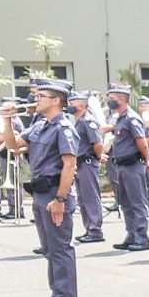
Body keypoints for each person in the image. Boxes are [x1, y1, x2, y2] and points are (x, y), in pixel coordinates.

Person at [21, 78, 83, 297]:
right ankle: (57, 293)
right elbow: (11, 143)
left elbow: (69, 165)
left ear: (56, 101)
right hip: (40, 192)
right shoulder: (40, 126)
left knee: (60, 247)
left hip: (55, 192)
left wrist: (60, 199)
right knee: (49, 247)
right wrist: (7, 120)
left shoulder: (63, 128)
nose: (35, 100)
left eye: (40, 96)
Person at [104, 85, 149, 250]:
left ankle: (141, 238)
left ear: (122, 99)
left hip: (133, 165)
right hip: (122, 166)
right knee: (126, 203)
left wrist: (146, 161)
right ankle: (131, 235)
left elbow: (142, 142)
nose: (109, 100)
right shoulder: (120, 118)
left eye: (112, 97)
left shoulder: (132, 118)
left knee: (137, 202)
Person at [68, 82, 108, 245]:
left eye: (73, 102)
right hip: (80, 164)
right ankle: (89, 228)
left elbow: (97, 143)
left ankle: (95, 230)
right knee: (83, 198)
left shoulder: (87, 121)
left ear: (82, 104)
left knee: (90, 196)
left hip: (88, 162)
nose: (70, 104)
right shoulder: (79, 121)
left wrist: (98, 157)